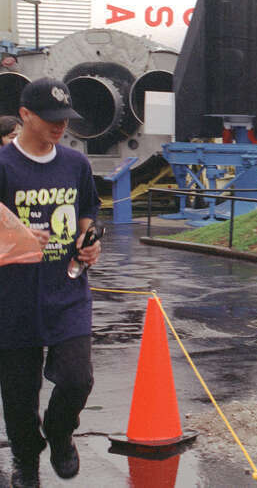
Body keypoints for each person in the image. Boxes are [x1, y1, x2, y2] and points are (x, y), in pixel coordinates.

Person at [0, 78, 101, 487]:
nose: (61, 126)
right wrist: (17, 236)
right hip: (12, 297)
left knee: (78, 378)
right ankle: (26, 459)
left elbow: (88, 208)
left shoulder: (76, 164)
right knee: (19, 394)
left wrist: (89, 238)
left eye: (66, 118)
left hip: (67, 292)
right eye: (50, 118)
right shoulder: (4, 166)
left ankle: (60, 433)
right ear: (25, 114)